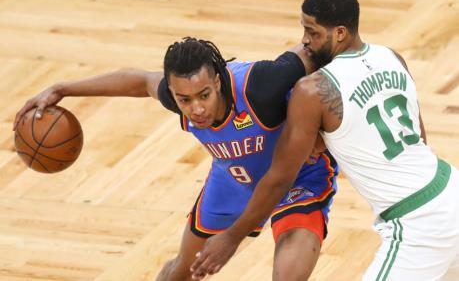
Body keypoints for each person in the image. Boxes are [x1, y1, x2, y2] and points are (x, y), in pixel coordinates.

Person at [190, 0, 459, 281]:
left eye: (314, 33)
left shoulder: (314, 90)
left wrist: (232, 237)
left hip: (416, 222)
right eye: (304, 30)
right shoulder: (392, 57)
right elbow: (419, 137)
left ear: (340, 33)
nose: (305, 41)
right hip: (449, 188)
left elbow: (280, 178)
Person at [13, 37, 338, 280]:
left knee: (288, 275)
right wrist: (63, 88)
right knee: (183, 270)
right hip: (234, 180)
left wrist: (326, 131)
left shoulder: (261, 85)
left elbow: (317, 49)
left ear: (217, 81)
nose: (196, 108)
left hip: (297, 178)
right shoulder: (174, 95)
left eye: (204, 96)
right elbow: (139, 81)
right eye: (185, 99)